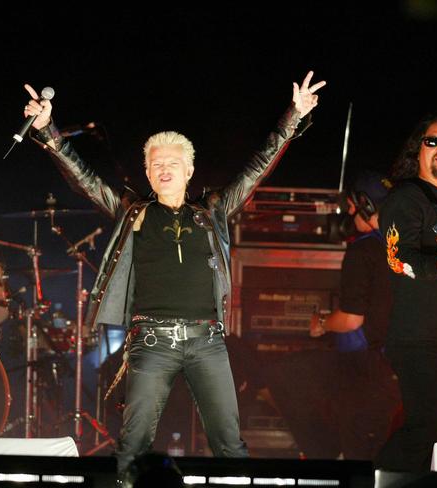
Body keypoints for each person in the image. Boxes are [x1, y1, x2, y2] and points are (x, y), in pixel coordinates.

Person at [21, 71, 325, 474]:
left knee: (230, 444)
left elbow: (256, 170)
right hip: (152, 342)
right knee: (132, 446)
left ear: (189, 170)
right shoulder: (135, 213)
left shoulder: (212, 210)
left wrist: (293, 117)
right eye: (156, 164)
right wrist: (50, 133)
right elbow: (86, 181)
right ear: (147, 173)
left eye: (173, 163)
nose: (164, 169)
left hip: (208, 343)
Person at [262, 171, 401, 461]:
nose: (349, 212)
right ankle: (325, 455)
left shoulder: (362, 250)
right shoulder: (402, 250)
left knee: (284, 374)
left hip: (364, 370)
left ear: (366, 206)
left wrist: (322, 323)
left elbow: (351, 320)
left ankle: (323, 455)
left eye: (352, 206)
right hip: (391, 370)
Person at [375, 107, 437, 472]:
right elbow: (396, 258)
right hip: (419, 338)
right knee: (424, 429)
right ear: (417, 152)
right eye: (431, 141)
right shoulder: (407, 199)